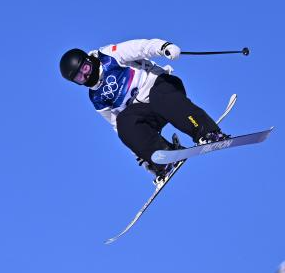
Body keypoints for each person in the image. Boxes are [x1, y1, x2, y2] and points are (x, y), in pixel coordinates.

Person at [59, 39, 230, 184]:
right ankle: (164, 158)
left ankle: (206, 132)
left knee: (159, 97)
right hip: (147, 113)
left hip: (161, 88)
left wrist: (163, 47)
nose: (86, 75)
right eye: (79, 77)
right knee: (124, 122)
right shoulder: (96, 97)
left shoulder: (109, 56)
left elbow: (140, 47)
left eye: (85, 68)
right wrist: (141, 154)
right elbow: (118, 126)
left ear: (89, 60)